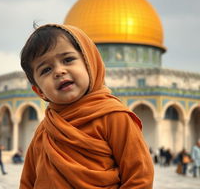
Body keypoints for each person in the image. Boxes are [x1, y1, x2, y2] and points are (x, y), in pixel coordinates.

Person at [19, 24, 154, 188]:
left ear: (90, 62)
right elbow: (28, 181)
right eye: (46, 69)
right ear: (39, 91)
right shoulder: (45, 130)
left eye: (68, 60)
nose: (59, 71)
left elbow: (139, 176)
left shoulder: (114, 117)